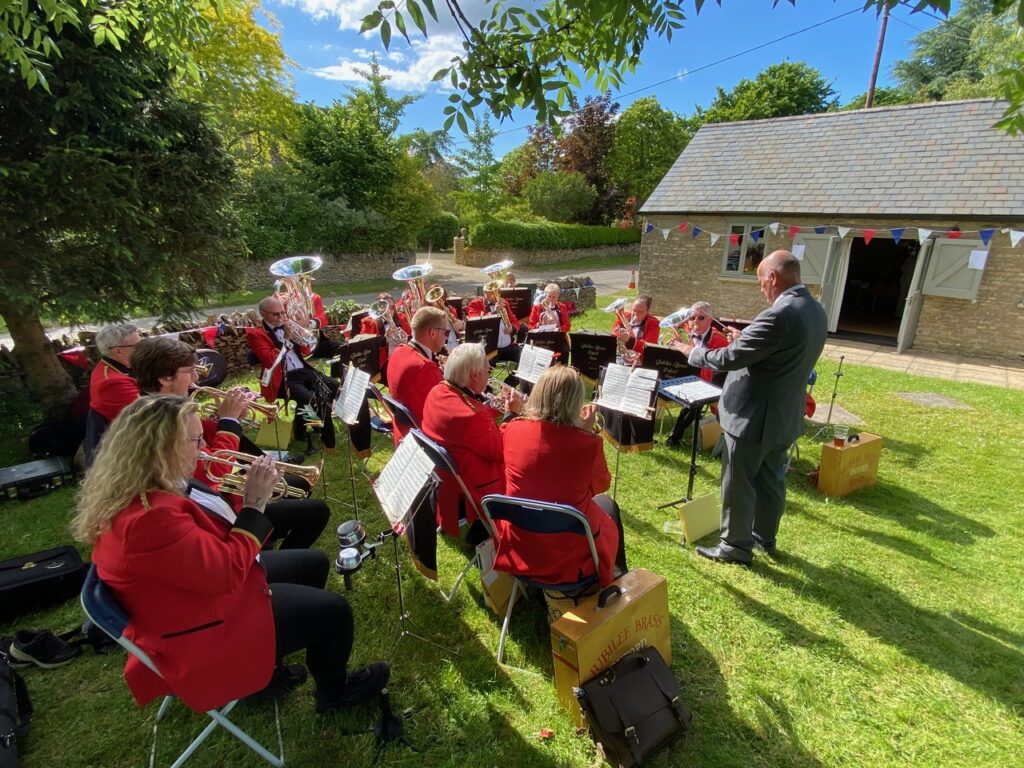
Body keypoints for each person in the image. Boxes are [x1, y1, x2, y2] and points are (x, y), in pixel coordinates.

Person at [72, 396, 388, 714]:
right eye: (195, 441)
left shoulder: (144, 489)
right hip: (201, 632)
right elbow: (227, 571)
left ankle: (271, 669)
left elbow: (202, 550)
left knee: (314, 563)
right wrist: (254, 506)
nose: (202, 449)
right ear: (160, 447)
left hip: (192, 598)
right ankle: (334, 693)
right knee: (335, 611)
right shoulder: (149, 517)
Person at [682, 250, 827, 565]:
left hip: (753, 416)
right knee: (771, 478)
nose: (762, 289)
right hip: (785, 414)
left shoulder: (778, 314)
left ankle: (735, 546)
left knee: (738, 481)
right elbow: (780, 352)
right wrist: (747, 337)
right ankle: (764, 537)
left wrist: (694, 353)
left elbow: (730, 358)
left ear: (774, 278)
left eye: (762, 282)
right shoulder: (815, 309)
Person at [132, 336, 329, 549]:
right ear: (164, 379)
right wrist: (229, 421)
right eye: (189, 371)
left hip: (221, 493)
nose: (196, 377)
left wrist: (224, 416)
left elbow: (208, 441)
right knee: (316, 511)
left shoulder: (168, 406)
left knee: (299, 484)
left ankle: (268, 541)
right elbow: (213, 467)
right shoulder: (163, 420)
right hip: (219, 505)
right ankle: (272, 560)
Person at [498, 366, 627, 588]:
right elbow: (601, 486)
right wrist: (585, 432)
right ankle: (615, 576)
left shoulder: (512, 429)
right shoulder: (588, 444)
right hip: (568, 555)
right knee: (607, 505)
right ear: (574, 403)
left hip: (521, 545)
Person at [422, 344, 522, 542]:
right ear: (474, 376)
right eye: (488, 369)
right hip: (480, 486)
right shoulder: (473, 417)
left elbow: (465, 420)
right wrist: (512, 414)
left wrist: (493, 408)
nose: (489, 373)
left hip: (449, 480)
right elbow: (502, 451)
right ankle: (488, 526)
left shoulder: (438, 391)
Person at [246, 296, 341, 453]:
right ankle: (317, 428)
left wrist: (303, 337)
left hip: (303, 370)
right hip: (281, 378)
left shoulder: (287, 324)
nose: (281, 317)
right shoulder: (256, 334)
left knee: (334, 386)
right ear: (263, 314)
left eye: (283, 313)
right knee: (310, 399)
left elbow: (305, 350)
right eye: (276, 314)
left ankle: (304, 424)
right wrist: (286, 339)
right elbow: (270, 360)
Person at [666, 301, 730, 448]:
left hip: (712, 382)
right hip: (687, 377)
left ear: (710, 319)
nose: (695, 322)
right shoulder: (687, 334)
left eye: (701, 318)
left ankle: (674, 438)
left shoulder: (718, 339)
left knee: (692, 401)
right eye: (692, 318)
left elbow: (717, 369)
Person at [385, 306, 446, 446]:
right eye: (445, 331)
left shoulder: (399, 351)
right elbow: (446, 408)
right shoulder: (425, 367)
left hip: (403, 431)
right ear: (432, 333)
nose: (446, 336)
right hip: (423, 439)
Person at [85, 323, 142, 464]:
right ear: (118, 352)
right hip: (124, 458)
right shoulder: (112, 382)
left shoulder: (111, 367)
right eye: (138, 346)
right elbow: (151, 416)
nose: (143, 350)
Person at [466, 282, 521, 366]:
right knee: (496, 377)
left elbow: (515, 321)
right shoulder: (475, 304)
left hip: (508, 347)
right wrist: (494, 312)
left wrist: (512, 328)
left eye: (498, 292)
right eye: (492, 293)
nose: (496, 295)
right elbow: (475, 324)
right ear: (485, 293)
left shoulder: (504, 303)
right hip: (491, 350)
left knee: (512, 372)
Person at [527, 283, 572, 363]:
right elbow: (530, 326)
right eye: (549, 296)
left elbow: (567, 325)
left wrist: (559, 329)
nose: (551, 299)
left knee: (564, 351)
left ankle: (561, 371)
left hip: (557, 337)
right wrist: (540, 323)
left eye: (554, 297)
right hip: (541, 338)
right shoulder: (537, 308)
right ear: (545, 296)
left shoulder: (562, 307)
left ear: (558, 297)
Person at [611, 295, 659, 364]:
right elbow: (612, 335)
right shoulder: (624, 316)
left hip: (638, 361)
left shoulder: (653, 323)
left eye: (640, 311)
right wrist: (616, 333)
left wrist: (629, 340)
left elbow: (648, 347)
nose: (636, 314)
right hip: (619, 356)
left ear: (647, 311)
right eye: (634, 310)